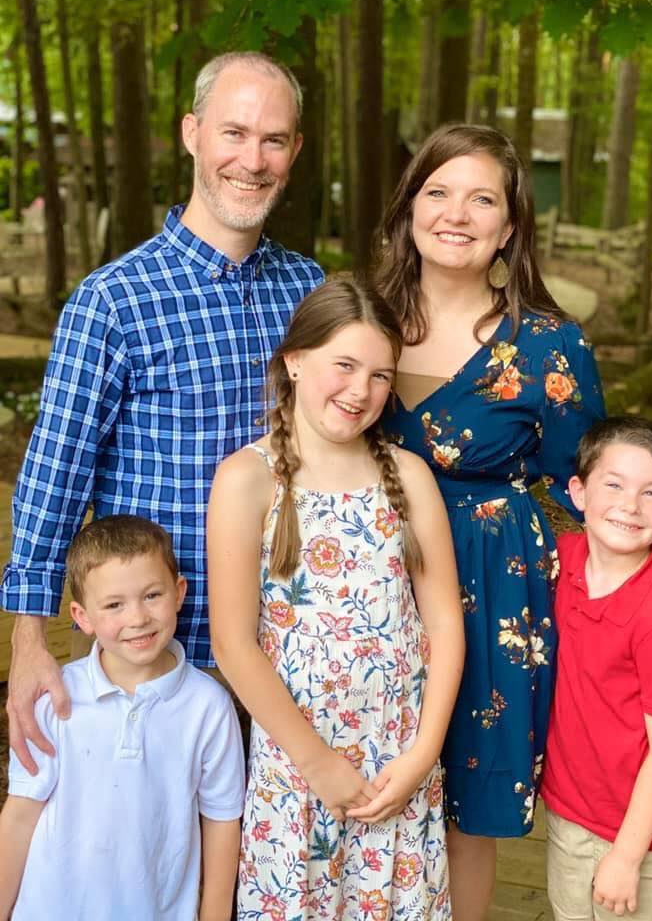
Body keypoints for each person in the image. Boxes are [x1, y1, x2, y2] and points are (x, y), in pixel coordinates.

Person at [375, 123, 652, 920]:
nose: (456, 213)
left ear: (510, 224)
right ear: (409, 208)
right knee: (367, 775)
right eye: (438, 191)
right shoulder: (362, 316)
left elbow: (588, 476)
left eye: (482, 198)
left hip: (494, 584)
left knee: (465, 805)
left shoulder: (550, 343)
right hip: (372, 575)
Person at [2, 51, 324, 774]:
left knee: (262, 883)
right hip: (165, 655)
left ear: (295, 151)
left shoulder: (309, 290)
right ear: (192, 134)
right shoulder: (113, 300)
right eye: (234, 133)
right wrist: (28, 643)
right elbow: (56, 475)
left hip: (293, 650)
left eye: (274, 140)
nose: (253, 158)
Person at [207, 277, 465, 917]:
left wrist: (423, 753)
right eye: (344, 365)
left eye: (381, 375)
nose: (361, 391)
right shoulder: (247, 480)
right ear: (295, 360)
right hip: (300, 768)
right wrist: (317, 763)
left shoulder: (408, 476)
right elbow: (234, 644)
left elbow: (444, 625)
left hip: (398, 764)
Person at [0, 514, 245, 921]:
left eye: (152, 596)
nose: (137, 618)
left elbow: (221, 820)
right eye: (114, 605)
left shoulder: (209, 707)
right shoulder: (57, 699)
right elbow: (21, 816)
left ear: (179, 592)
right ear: (82, 618)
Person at [541, 417, 652, 920]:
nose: (630, 505)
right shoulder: (559, 560)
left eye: (651, 493)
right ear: (578, 492)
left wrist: (627, 856)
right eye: (613, 484)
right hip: (572, 813)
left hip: (650, 836)